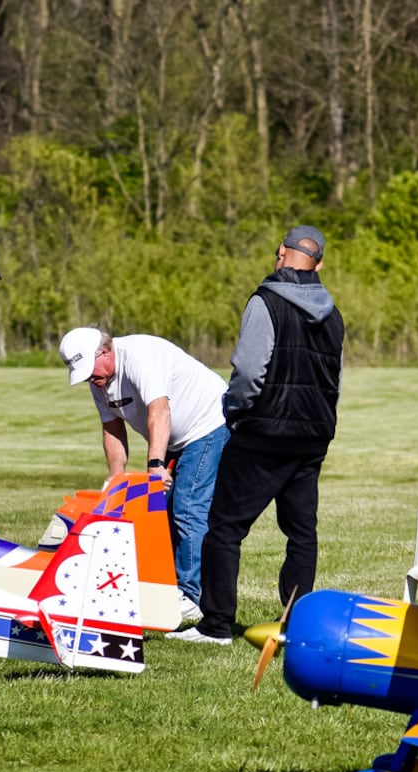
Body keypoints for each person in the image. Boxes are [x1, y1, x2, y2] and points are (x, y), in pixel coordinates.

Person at [171, 225, 344, 645]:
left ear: (280, 252)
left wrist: (236, 410)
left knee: (224, 526)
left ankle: (215, 625)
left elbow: (249, 371)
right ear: (318, 263)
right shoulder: (334, 314)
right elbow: (332, 376)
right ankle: (296, 624)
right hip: (314, 434)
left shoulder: (266, 301)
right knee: (301, 532)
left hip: (264, 431)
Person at [59, 327, 229, 623]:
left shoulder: (140, 356)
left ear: (105, 351)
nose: (90, 378)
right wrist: (116, 482)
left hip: (209, 423)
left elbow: (159, 411)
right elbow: (112, 428)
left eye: (90, 370)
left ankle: (191, 596)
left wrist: (155, 464)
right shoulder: (99, 380)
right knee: (161, 511)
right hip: (175, 437)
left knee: (187, 507)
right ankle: (168, 585)